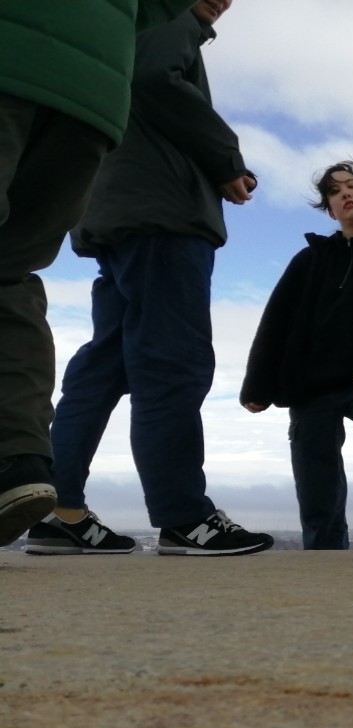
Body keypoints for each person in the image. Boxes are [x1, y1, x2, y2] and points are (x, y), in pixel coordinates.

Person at [25, 0, 274, 557]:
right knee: (173, 361)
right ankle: (184, 516)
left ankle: (59, 512)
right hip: (163, 216)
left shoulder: (122, 24)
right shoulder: (169, 19)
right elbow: (153, 76)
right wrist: (226, 158)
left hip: (113, 214)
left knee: (106, 363)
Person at [0, 0, 196, 548]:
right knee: (11, 274)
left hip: (29, 65)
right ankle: (19, 463)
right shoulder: (172, 35)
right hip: (91, 103)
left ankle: (43, 487)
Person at [239, 161, 353, 550]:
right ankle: (323, 555)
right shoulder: (309, 260)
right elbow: (276, 322)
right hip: (311, 386)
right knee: (316, 485)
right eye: (334, 192)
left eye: (352, 186)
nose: (345, 193)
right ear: (331, 211)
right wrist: (257, 386)